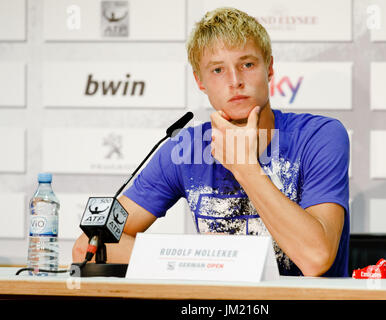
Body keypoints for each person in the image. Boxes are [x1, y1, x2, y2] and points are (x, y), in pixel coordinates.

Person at [72, 7, 350, 277]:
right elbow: (89, 246)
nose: (235, 81)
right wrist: (204, 262)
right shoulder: (185, 149)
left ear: (270, 68)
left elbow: (316, 258)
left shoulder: (319, 136)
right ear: (200, 81)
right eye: (217, 70)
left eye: (248, 64)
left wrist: (245, 168)